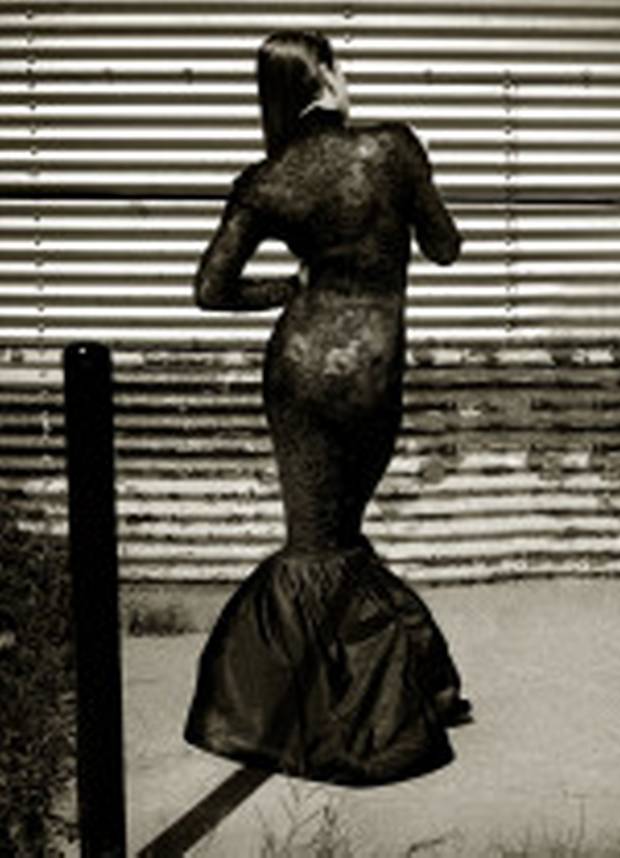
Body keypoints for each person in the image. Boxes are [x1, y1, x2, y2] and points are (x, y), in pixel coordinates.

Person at [184, 30, 468, 786]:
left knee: (319, 540)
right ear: (330, 79)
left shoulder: (267, 177)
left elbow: (211, 291)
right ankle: (356, 723)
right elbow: (445, 247)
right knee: (327, 542)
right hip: (371, 369)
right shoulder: (394, 148)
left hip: (298, 369)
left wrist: (293, 287)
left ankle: (323, 700)